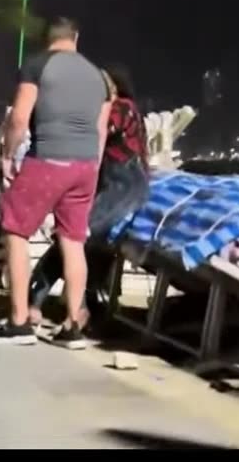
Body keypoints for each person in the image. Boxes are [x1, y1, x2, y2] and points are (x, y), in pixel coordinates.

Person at [0, 17, 110, 349]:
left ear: (46, 40)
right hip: (86, 167)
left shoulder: (38, 65)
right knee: (72, 241)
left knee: (15, 230)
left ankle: (20, 321)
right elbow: (100, 131)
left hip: (49, 158)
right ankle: (72, 328)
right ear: (76, 38)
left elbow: (20, 118)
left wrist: (8, 154)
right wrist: (91, 168)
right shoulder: (101, 78)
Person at [27, 64, 150, 328]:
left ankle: (42, 301)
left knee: (75, 237)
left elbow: (96, 132)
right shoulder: (125, 109)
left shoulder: (120, 108)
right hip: (122, 183)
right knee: (89, 242)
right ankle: (80, 305)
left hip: (123, 184)